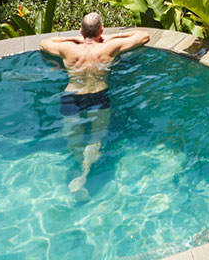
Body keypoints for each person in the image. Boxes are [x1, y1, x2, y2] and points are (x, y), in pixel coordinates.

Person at [39, 14, 150, 194]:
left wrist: (74, 38)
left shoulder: (68, 49)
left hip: (71, 96)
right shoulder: (108, 47)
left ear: (81, 31)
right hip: (98, 95)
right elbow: (143, 36)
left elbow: (44, 43)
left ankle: (77, 165)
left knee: (73, 138)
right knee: (96, 137)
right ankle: (85, 172)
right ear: (101, 30)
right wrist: (114, 37)